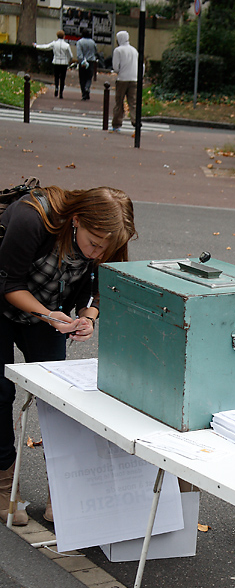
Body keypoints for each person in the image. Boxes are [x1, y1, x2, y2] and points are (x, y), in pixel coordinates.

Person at [0, 186, 136, 526]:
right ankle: (3, 485)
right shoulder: (32, 218)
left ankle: (61, 491)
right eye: (93, 243)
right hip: (5, 301)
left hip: (50, 313)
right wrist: (47, 314)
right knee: (0, 392)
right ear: (75, 221)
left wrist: (88, 318)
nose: (97, 253)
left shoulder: (110, 238)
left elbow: (103, 290)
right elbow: (9, 284)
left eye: (106, 248)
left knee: (57, 399)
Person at [111, 31, 139, 133]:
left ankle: (117, 124)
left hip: (122, 79)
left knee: (119, 102)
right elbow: (141, 65)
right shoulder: (134, 50)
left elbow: (116, 68)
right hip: (134, 78)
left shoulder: (118, 50)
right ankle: (135, 120)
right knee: (133, 102)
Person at [34, 30, 73, 99]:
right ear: (64, 36)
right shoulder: (66, 45)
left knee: (56, 77)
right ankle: (61, 92)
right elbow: (71, 55)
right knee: (63, 78)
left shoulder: (54, 44)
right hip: (64, 63)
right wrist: (69, 61)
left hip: (56, 62)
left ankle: (56, 87)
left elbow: (46, 47)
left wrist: (37, 46)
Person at [76, 28, 97, 101]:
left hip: (83, 62)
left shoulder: (80, 42)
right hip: (91, 61)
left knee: (82, 78)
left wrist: (81, 60)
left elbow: (79, 53)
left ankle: (84, 94)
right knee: (89, 77)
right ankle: (87, 87)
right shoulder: (92, 42)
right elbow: (95, 51)